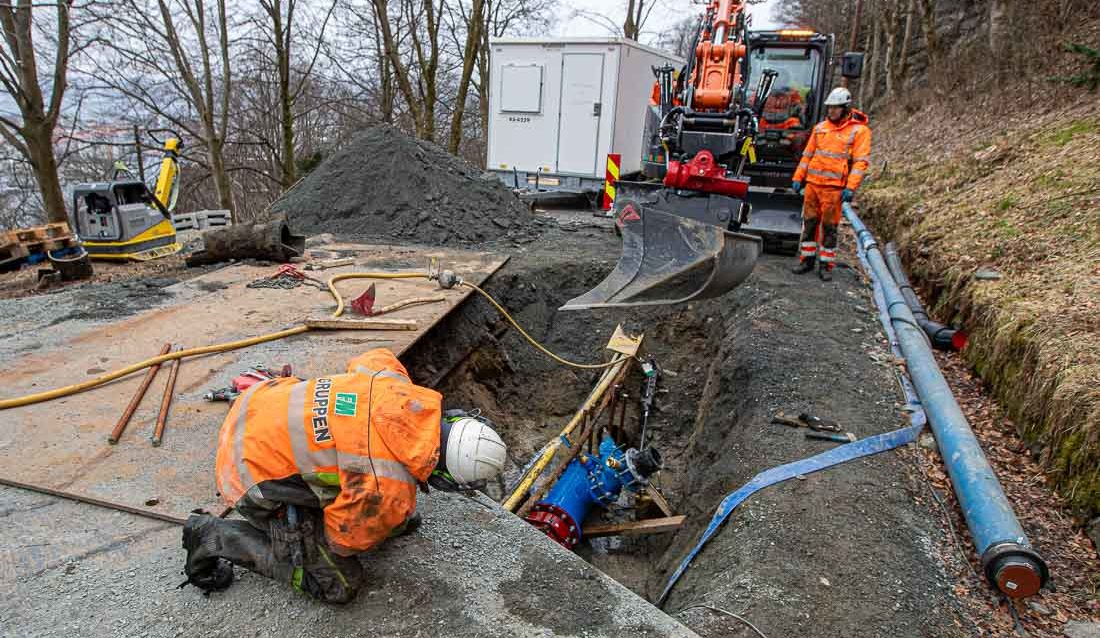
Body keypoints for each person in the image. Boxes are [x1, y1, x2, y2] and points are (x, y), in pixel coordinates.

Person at [181, 348, 507, 603]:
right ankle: (212, 535)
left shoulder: (395, 384)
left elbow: (372, 356)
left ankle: (324, 488)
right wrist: (374, 516)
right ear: (445, 476)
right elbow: (343, 540)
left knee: (394, 514)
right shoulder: (384, 484)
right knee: (339, 584)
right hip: (245, 473)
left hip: (258, 402)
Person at [790, 87, 872, 281]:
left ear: (845, 108)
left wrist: (850, 187)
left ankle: (826, 265)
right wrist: (798, 177)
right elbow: (807, 156)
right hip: (813, 185)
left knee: (829, 228)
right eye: (830, 108)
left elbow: (860, 162)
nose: (831, 111)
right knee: (809, 224)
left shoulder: (859, 131)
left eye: (836, 108)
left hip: (834, 189)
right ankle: (807, 260)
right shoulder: (820, 128)